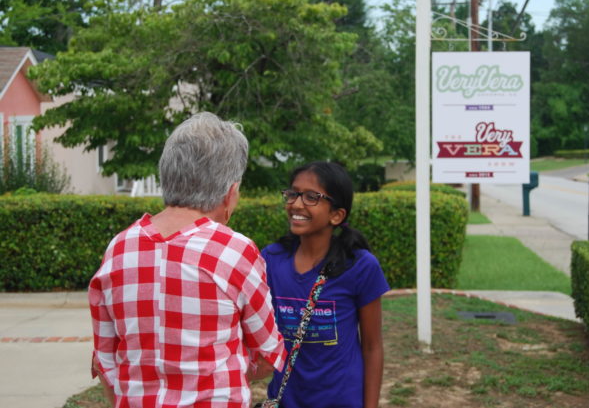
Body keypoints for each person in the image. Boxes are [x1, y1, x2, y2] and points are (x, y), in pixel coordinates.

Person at [88, 112, 286, 407]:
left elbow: (105, 361)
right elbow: (267, 352)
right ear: (230, 193)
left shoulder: (119, 248)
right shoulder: (233, 250)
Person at [261, 161, 389, 408]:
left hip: (342, 400)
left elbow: (373, 347)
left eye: (311, 197)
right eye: (293, 194)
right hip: (286, 399)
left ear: (336, 215)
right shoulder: (271, 259)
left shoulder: (361, 266)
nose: (296, 204)